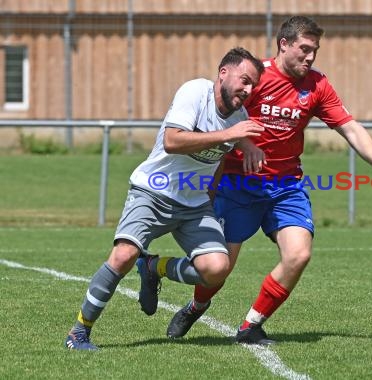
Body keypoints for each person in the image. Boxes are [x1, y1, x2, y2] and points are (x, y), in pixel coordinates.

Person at [167, 16, 372, 344]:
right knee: (219, 268)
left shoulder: (317, 85)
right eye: (304, 49)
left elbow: (349, 126)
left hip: (285, 187)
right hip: (237, 185)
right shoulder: (255, 77)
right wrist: (242, 143)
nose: (310, 57)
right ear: (284, 44)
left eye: (314, 50)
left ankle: (251, 325)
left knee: (298, 255)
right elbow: (220, 113)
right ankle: (196, 305)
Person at [64, 47, 265, 350]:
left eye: (253, 85)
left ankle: (153, 268)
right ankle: (79, 332)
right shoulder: (195, 92)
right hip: (152, 191)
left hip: (194, 205)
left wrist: (239, 150)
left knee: (216, 269)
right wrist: (234, 135)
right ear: (223, 72)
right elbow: (173, 141)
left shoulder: (239, 117)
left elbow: (220, 157)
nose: (248, 90)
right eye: (244, 80)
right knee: (123, 255)